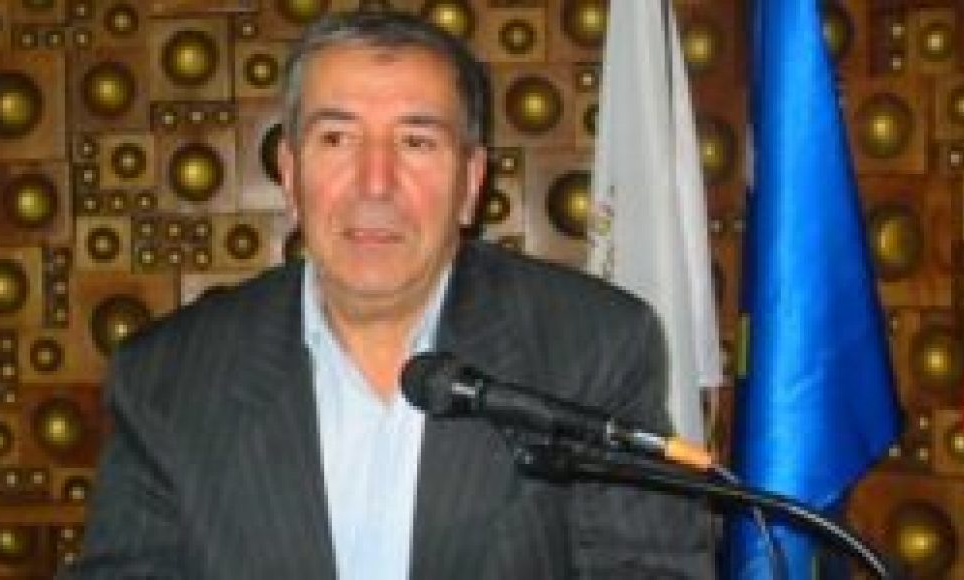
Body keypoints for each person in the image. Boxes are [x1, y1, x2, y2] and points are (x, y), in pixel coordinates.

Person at [62, 10, 715, 579]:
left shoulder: (592, 347)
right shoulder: (167, 377)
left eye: (416, 141)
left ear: (470, 184)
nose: (375, 183)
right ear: (289, 174)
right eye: (337, 138)